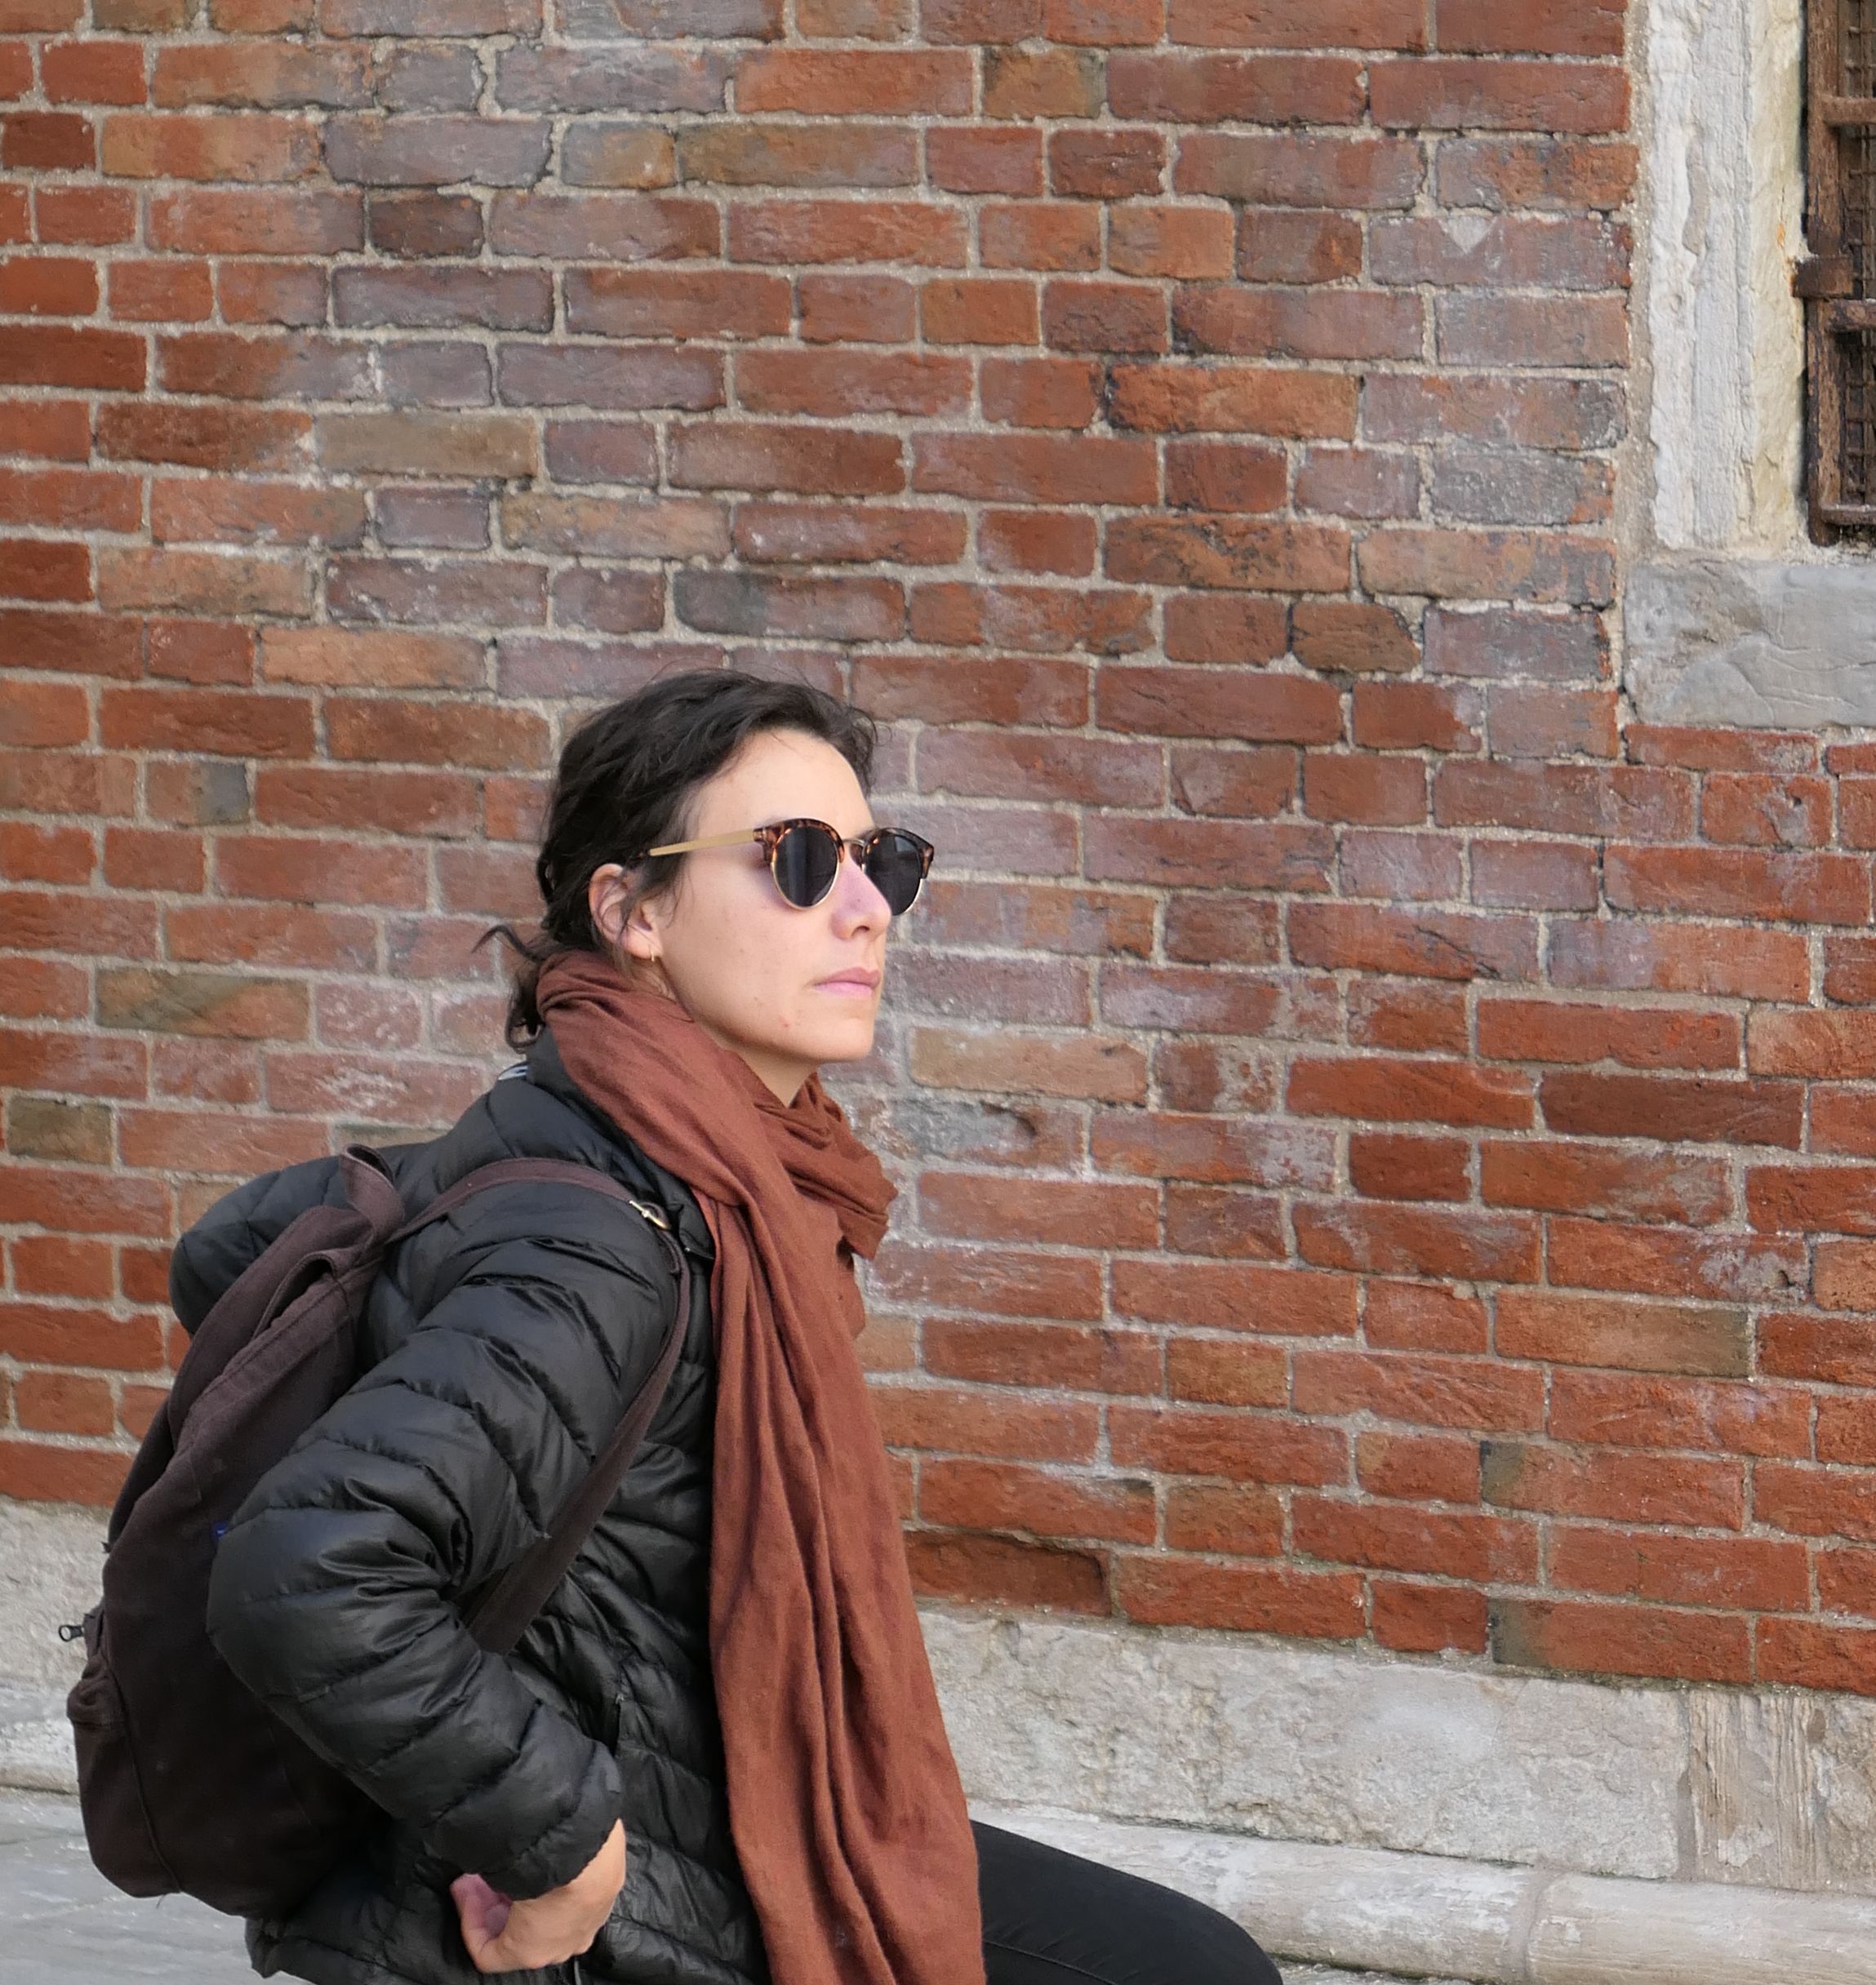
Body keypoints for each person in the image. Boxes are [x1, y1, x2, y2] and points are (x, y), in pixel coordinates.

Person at [181, 670, 1282, 1985]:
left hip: (719, 1805)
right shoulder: (597, 1237)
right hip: (593, 1886)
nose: (867, 909)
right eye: (798, 862)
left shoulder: (693, 1172)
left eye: (884, 862)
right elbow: (307, 1569)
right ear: (632, 909)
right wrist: (560, 1840)